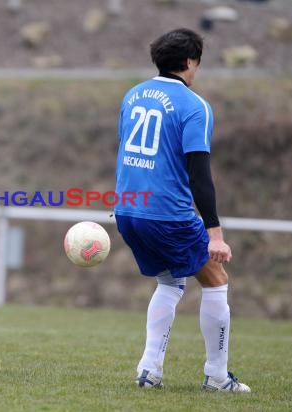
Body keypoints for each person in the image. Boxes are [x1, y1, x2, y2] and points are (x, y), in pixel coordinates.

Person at [114, 28, 250, 392]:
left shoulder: (134, 94)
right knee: (216, 280)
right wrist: (214, 233)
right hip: (167, 214)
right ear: (190, 62)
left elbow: (130, 153)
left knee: (170, 282)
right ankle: (217, 377)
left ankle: (148, 370)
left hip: (128, 209)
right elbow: (200, 175)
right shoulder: (195, 106)